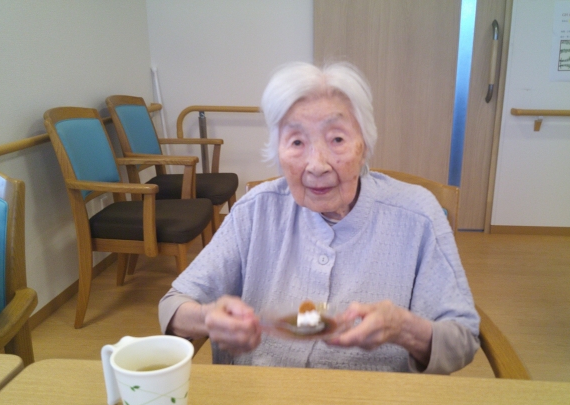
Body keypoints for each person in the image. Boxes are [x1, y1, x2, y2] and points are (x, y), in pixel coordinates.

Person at [159, 61, 479, 374]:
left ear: (364, 146)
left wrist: (405, 329)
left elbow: (463, 339)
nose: (317, 165)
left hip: (375, 401)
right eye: (297, 142)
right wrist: (206, 318)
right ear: (278, 151)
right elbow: (173, 305)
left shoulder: (417, 215)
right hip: (260, 397)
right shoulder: (255, 211)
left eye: (337, 139)